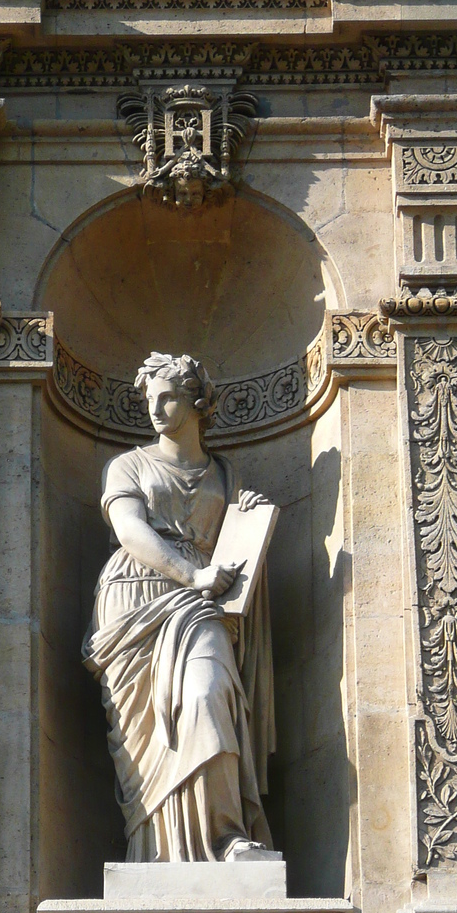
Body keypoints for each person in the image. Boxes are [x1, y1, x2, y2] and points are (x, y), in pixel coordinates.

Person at [83, 352, 276, 863]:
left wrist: (246, 523)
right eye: (150, 399)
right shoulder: (129, 465)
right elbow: (130, 531)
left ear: (197, 400)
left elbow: (237, 554)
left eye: (168, 396)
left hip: (203, 605)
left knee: (208, 693)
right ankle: (156, 851)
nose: (156, 408)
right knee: (146, 735)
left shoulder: (227, 475)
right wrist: (194, 574)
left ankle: (225, 836)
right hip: (135, 599)